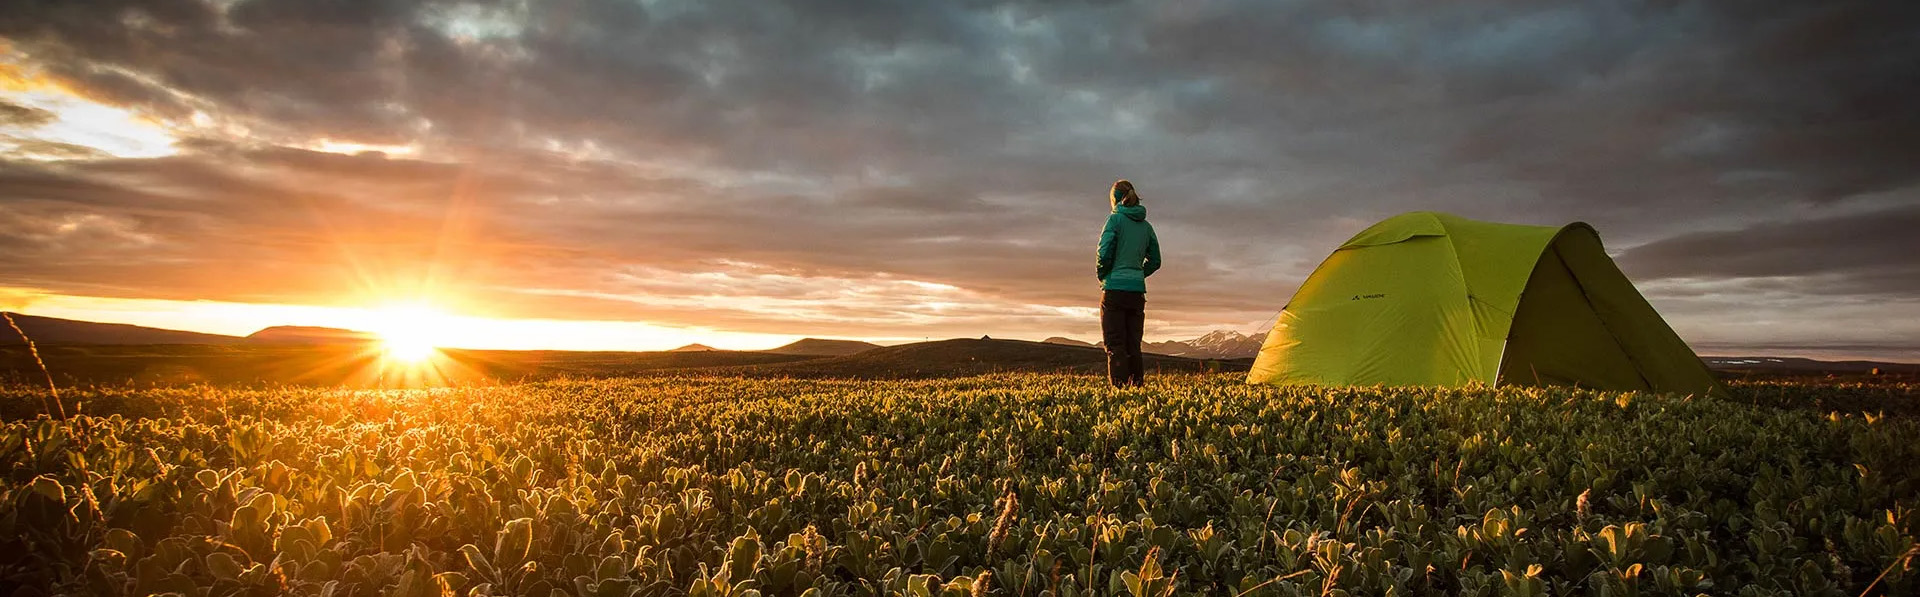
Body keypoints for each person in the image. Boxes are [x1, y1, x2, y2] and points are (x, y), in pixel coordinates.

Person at [1096, 179, 1161, 388]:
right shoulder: (1146, 227)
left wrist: (1103, 275)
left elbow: (1104, 252)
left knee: (1115, 344)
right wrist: (1139, 274)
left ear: (1114, 199)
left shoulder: (1114, 220)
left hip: (1114, 289)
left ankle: (1120, 390)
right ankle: (1137, 388)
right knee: (1134, 345)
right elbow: (1156, 260)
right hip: (1136, 292)